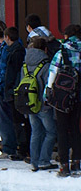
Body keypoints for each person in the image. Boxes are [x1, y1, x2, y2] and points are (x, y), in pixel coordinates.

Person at [45, 23, 81, 177]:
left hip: (63, 95)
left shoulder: (62, 50)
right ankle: (77, 162)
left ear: (66, 35)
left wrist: (48, 91)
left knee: (62, 129)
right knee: (75, 128)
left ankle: (64, 166)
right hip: (79, 94)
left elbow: (53, 72)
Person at [24, 37, 57, 172]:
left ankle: (34, 161)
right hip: (43, 105)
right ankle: (44, 160)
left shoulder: (25, 64)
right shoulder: (46, 64)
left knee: (36, 132)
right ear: (45, 49)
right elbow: (49, 85)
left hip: (30, 104)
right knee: (51, 132)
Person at [0, 20, 18, 159]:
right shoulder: (5, 46)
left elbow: (2, 70)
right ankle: (6, 146)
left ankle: (8, 147)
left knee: (2, 119)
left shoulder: (4, 48)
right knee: (2, 119)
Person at [3, 26, 30, 160]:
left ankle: (22, 149)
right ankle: (23, 147)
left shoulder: (14, 52)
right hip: (18, 90)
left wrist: (9, 90)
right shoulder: (19, 50)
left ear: (7, 37)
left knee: (18, 121)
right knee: (20, 121)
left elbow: (11, 74)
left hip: (14, 92)